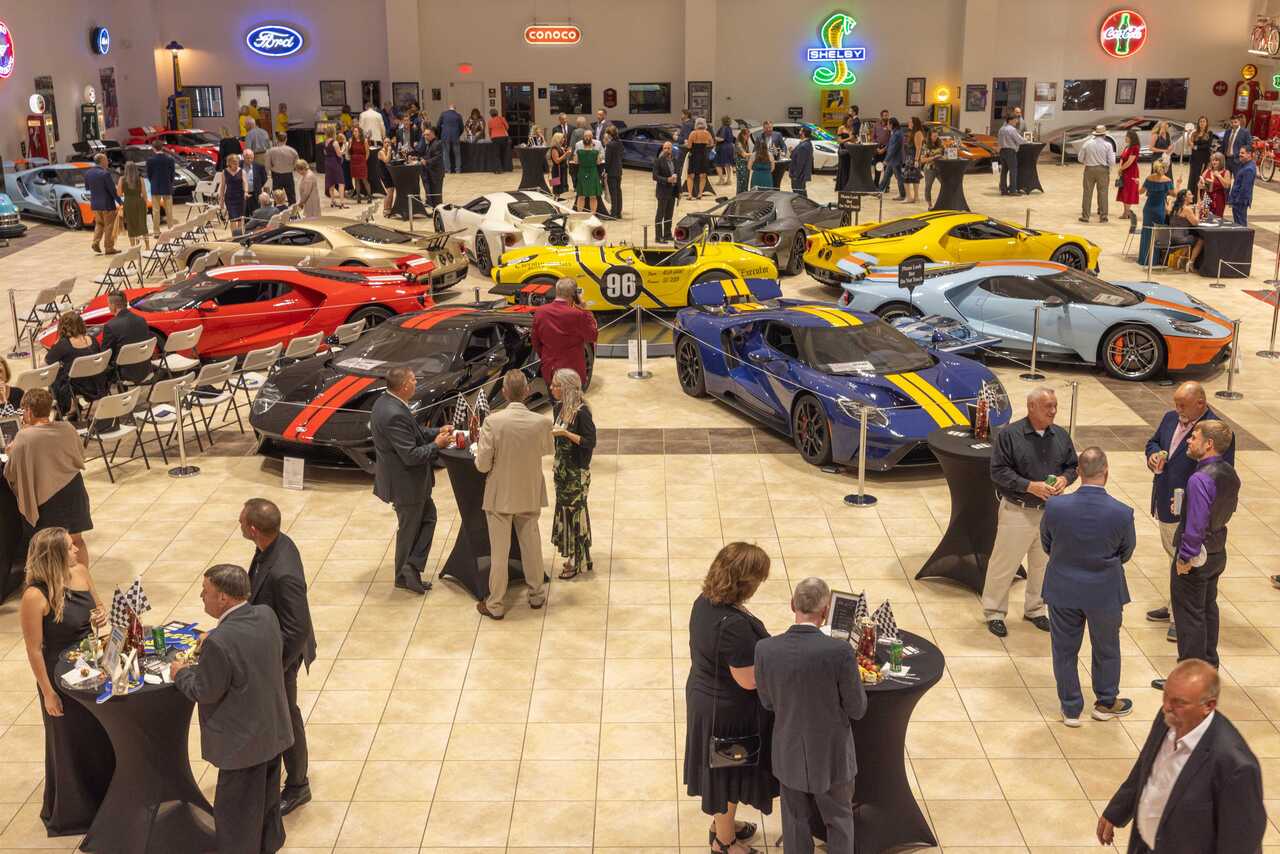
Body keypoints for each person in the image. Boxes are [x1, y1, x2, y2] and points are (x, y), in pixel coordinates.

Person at [171, 564, 294, 854]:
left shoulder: (219, 642)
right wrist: (216, 633)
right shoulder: (266, 615)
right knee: (266, 804)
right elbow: (245, 643)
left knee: (236, 816)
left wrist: (181, 673)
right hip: (272, 730)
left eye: (206, 591)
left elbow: (204, 691)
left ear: (224, 597)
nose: (201, 595)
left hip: (242, 744)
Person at [1097, 660, 1266, 854]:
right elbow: (1145, 766)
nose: (1167, 706)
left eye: (1180, 702)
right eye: (1166, 696)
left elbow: (1241, 844)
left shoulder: (1236, 766)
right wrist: (1117, 810)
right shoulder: (1168, 719)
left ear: (1209, 705)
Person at [756, 576, 865, 854]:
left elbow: (767, 702)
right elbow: (857, 709)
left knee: (794, 824)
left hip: (788, 752)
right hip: (833, 756)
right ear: (825, 611)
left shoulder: (765, 649)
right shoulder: (840, 652)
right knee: (839, 821)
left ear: (792, 604)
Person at [683, 542, 777, 854]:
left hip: (705, 697)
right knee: (727, 774)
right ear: (745, 582)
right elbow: (748, 680)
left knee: (722, 770)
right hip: (726, 712)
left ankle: (723, 825)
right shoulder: (734, 626)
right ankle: (724, 842)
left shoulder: (705, 602)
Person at [19, 527, 113, 837]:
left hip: (90, 667)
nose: (76, 549)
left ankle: (105, 798)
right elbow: (34, 649)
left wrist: (100, 618)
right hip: (59, 676)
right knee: (69, 740)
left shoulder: (81, 572)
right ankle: (76, 811)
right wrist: (48, 693)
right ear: (55, 554)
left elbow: (99, 609)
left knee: (98, 732)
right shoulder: (35, 596)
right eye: (70, 547)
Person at [1040, 447, 1136, 727]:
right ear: (1106, 471)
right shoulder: (1122, 513)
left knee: (1064, 650)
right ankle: (1106, 703)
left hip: (1063, 588)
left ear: (1079, 472)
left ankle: (1071, 709)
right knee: (1107, 648)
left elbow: (1047, 543)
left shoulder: (1055, 507)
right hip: (1104, 591)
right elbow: (1126, 552)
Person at [239, 498, 317, 818]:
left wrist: (276, 666)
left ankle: (298, 785)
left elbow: (297, 629)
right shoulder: (273, 545)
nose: (238, 524)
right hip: (271, 648)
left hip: (282, 656)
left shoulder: (283, 572)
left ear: (253, 529)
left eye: (241, 521)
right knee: (279, 715)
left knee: (286, 716)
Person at [983, 387, 1079, 637]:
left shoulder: (1061, 435)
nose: (1053, 411)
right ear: (1031, 407)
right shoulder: (1010, 435)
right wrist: (1029, 486)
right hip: (1018, 510)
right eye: (1048, 406)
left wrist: (1065, 479)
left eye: (1055, 406)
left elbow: (1072, 466)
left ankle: (1035, 609)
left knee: (1042, 564)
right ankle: (994, 612)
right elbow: (998, 472)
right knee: (1004, 564)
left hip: (1051, 513)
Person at [1144, 382, 1232, 641]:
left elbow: (1222, 474)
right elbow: (1154, 442)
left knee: (1183, 565)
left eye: (1183, 405)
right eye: (1176, 404)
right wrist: (1153, 455)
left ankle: (1178, 619)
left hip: (1189, 508)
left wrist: (1194, 503)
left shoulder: (1216, 431)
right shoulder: (1170, 418)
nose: (1178, 409)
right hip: (1165, 498)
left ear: (1200, 404)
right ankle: (1173, 605)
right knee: (1171, 555)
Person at [1156, 420, 1239, 689]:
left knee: (1189, 617)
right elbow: (1223, 508)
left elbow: (1196, 525)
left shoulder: (1200, 478)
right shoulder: (1230, 473)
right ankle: (1208, 668)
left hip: (1197, 556)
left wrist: (1184, 557)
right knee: (1208, 610)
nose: (1189, 441)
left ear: (1209, 444)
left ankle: (1188, 680)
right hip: (1217, 551)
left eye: (1194, 437)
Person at [473, 371, 553, 617]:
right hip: (529, 491)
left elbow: (482, 466)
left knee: (499, 553)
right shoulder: (541, 422)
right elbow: (546, 450)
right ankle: (536, 595)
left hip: (500, 495)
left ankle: (496, 604)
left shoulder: (493, 422)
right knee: (532, 547)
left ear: (504, 392)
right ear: (527, 391)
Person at [371, 366, 453, 594]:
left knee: (427, 518)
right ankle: (405, 573)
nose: (417, 383)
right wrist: (437, 445)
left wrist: (437, 430)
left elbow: (414, 433)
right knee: (409, 529)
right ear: (405, 385)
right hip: (405, 484)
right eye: (414, 380)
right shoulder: (394, 413)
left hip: (406, 482)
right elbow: (411, 455)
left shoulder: (387, 402)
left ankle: (410, 568)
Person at [6, 389, 94, 574]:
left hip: (47, 500)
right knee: (76, 541)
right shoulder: (67, 428)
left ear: (28, 411)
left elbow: (11, 472)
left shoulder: (25, 437)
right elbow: (79, 455)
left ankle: (52, 585)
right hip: (74, 490)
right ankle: (82, 582)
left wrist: (11, 452)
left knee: (46, 548)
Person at [550, 368, 596, 580]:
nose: (552, 388)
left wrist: (566, 433)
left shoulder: (582, 412)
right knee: (565, 514)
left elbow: (590, 442)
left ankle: (577, 560)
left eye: (556, 385)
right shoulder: (558, 408)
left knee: (575, 515)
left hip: (576, 473)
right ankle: (573, 556)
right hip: (562, 472)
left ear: (566, 388)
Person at [44, 311, 105, 418]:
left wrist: (55, 345)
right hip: (97, 384)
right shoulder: (93, 340)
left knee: (56, 375)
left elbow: (45, 363)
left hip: (77, 386)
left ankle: (65, 408)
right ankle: (73, 405)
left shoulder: (63, 344)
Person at [100, 291, 151, 385]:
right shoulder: (141, 320)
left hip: (124, 373)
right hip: (145, 369)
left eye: (109, 304)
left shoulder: (110, 326)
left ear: (113, 305)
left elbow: (105, 353)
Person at [1137, 159, 1176, 266]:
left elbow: (1140, 192)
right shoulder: (1167, 180)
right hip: (1159, 210)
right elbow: (1174, 194)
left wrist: (1137, 184)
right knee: (1157, 234)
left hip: (1148, 209)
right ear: (1165, 168)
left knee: (1146, 232)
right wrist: (1178, 184)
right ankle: (1154, 260)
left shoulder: (1149, 178)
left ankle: (1144, 259)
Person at [1078, 125, 1116, 222]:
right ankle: (1103, 216)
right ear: (1104, 135)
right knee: (1103, 193)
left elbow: (1080, 159)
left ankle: (1085, 216)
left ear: (1095, 134)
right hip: (1103, 170)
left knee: (1087, 193)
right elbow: (1112, 161)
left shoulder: (1087, 144)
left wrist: (1088, 161)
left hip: (1089, 169)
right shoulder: (1108, 145)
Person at [85, 153, 120, 255]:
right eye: (106, 160)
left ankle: (95, 242)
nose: (108, 162)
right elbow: (112, 191)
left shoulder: (88, 173)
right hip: (107, 204)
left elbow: (87, 188)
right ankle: (109, 248)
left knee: (99, 224)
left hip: (95, 204)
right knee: (109, 226)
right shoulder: (105, 174)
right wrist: (120, 202)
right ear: (102, 161)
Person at [1166, 189, 1205, 272]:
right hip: (1180, 239)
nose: (1192, 196)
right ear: (1184, 197)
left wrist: (1169, 202)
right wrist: (1197, 211)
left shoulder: (1174, 207)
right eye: (1190, 195)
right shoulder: (1186, 209)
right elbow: (1195, 223)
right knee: (1201, 240)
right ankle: (1191, 262)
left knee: (1190, 238)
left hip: (1170, 237)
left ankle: (1181, 260)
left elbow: (1168, 210)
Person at [116, 160, 149, 248]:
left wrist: (125, 192)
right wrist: (146, 206)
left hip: (128, 203)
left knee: (131, 225)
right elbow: (144, 194)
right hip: (139, 202)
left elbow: (119, 194)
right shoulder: (140, 179)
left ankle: (133, 246)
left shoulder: (122, 179)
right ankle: (147, 246)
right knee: (143, 224)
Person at [145, 146, 176, 234]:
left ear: (154, 148)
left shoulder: (150, 160)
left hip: (155, 187)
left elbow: (149, 175)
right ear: (162, 148)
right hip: (167, 186)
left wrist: (153, 182)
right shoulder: (170, 159)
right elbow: (172, 174)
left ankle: (156, 231)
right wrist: (169, 183)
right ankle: (171, 230)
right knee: (169, 210)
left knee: (155, 211)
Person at [654, 141, 679, 241]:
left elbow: (678, 175)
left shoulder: (675, 160)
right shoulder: (658, 161)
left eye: (668, 148)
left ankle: (667, 234)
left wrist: (680, 191)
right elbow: (655, 176)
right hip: (662, 191)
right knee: (660, 215)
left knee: (669, 215)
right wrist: (667, 180)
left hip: (672, 192)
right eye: (665, 148)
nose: (666, 150)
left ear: (671, 149)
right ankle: (658, 236)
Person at [685, 118, 715, 199]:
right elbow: (712, 143)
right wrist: (705, 145)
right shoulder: (707, 133)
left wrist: (687, 143)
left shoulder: (693, 133)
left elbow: (689, 146)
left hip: (694, 155)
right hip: (703, 155)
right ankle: (700, 194)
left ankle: (690, 194)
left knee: (690, 175)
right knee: (703, 175)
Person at [573, 130, 601, 214]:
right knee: (593, 196)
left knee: (581, 195)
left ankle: (580, 214)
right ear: (592, 142)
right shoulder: (596, 152)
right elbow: (598, 162)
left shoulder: (579, 151)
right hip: (593, 173)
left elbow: (576, 162)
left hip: (582, 172)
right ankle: (593, 214)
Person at [264, 134, 299, 205]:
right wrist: (292, 168)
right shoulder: (292, 150)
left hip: (276, 175)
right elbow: (297, 164)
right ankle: (293, 211)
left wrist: (269, 174)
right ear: (286, 139)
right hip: (288, 175)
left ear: (277, 139)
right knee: (291, 196)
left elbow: (267, 165)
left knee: (276, 196)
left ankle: (277, 210)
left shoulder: (271, 151)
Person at [1227, 144, 1255, 225]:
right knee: (1238, 224)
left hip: (1240, 202)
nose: (1240, 154)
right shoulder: (1244, 165)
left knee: (1240, 224)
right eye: (1240, 153)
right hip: (1238, 201)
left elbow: (1245, 189)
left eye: (1242, 153)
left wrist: (1236, 201)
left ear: (1249, 154)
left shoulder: (1249, 169)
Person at [997, 114, 1025, 196]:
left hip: (1002, 151)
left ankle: (1003, 190)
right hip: (1010, 152)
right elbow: (1019, 140)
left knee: (1004, 171)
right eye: (1016, 119)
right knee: (1013, 171)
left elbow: (999, 140)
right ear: (1010, 120)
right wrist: (1027, 141)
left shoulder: (1001, 129)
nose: (1017, 121)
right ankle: (1013, 190)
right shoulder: (1012, 129)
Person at [1116, 130, 1141, 219]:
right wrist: (1120, 168)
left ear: (1131, 138)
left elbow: (1130, 161)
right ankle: (1126, 212)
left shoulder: (1135, 148)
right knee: (1124, 191)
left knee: (1129, 191)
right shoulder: (1127, 146)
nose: (1125, 138)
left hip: (1131, 172)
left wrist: (1121, 168)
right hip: (1124, 171)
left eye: (1127, 136)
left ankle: (1126, 213)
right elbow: (1122, 158)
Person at [219, 152, 247, 232]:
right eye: (234, 163)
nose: (236, 164)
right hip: (230, 198)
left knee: (240, 219)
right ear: (229, 163)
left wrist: (246, 192)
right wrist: (221, 200)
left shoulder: (242, 171)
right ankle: (235, 236)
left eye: (237, 162)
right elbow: (223, 186)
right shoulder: (224, 172)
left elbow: (245, 183)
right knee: (233, 219)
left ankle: (241, 235)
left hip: (240, 197)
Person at [1187, 116, 1213, 202]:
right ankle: (1191, 198)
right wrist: (1189, 134)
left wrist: (1196, 147)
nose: (1202, 123)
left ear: (1206, 123)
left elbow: (1208, 145)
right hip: (1194, 158)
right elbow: (1190, 144)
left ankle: (1199, 198)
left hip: (1204, 158)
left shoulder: (1209, 133)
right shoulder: (1195, 133)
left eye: (1204, 121)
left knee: (1201, 177)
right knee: (1193, 177)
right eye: (1200, 121)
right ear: (1198, 123)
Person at [878, 118, 904, 199]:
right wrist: (884, 149)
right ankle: (879, 192)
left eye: (888, 124)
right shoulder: (895, 132)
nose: (887, 126)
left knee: (899, 177)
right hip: (893, 160)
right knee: (886, 176)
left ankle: (903, 195)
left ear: (892, 125)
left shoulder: (897, 134)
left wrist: (886, 160)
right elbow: (890, 144)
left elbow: (893, 148)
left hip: (895, 160)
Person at [1199, 151, 1231, 218]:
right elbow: (1199, 184)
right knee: (1204, 217)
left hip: (1218, 199)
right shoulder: (1207, 170)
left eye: (1216, 160)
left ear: (1221, 161)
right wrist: (1201, 185)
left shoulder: (1226, 172)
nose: (1214, 162)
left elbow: (1227, 186)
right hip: (1206, 197)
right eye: (1213, 160)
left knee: (1217, 218)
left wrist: (1219, 176)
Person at [241, 148, 269, 220]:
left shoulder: (259, 166)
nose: (250, 160)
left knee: (256, 214)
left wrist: (257, 186)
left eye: (251, 158)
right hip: (242, 194)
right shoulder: (239, 166)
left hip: (255, 194)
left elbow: (264, 178)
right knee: (244, 214)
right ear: (243, 157)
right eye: (247, 158)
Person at [420, 125, 445, 207]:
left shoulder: (438, 143)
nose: (425, 136)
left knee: (437, 196)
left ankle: (438, 211)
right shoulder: (429, 143)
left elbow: (438, 157)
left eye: (427, 135)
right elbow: (428, 155)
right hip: (430, 173)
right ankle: (434, 209)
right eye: (424, 135)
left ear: (433, 134)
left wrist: (426, 162)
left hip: (436, 174)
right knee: (432, 194)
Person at [603, 126, 623, 219]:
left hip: (611, 171)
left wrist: (605, 170)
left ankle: (613, 213)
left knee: (613, 193)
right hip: (618, 170)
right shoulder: (619, 142)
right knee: (618, 191)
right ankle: (618, 212)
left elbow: (608, 160)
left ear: (610, 134)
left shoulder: (610, 145)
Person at [900, 117, 922, 203]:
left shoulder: (918, 133)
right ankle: (916, 197)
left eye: (910, 122)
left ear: (914, 123)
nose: (908, 123)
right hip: (910, 158)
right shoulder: (912, 132)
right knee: (914, 178)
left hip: (912, 158)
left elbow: (918, 148)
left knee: (906, 178)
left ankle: (909, 197)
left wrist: (916, 160)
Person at [920, 128, 944, 207]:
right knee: (928, 186)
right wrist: (934, 158)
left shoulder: (940, 143)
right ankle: (929, 205)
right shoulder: (926, 145)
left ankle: (944, 202)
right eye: (934, 136)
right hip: (929, 169)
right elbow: (922, 160)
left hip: (940, 168)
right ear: (930, 136)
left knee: (945, 184)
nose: (935, 138)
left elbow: (944, 153)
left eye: (937, 136)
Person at [789, 125, 814, 198]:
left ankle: (804, 205)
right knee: (800, 192)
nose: (799, 132)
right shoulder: (806, 143)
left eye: (800, 131)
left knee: (799, 194)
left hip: (799, 176)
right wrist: (793, 152)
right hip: (801, 175)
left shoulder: (803, 146)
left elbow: (800, 163)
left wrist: (795, 176)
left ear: (803, 133)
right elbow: (799, 157)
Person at [438, 103, 464, 173]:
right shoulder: (458, 116)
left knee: (445, 154)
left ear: (449, 108)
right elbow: (462, 128)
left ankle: (447, 170)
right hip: (455, 137)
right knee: (457, 154)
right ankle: (458, 170)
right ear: (455, 109)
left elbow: (438, 125)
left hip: (445, 136)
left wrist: (440, 135)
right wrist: (458, 134)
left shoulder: (443, 114)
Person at [324, 133, 347, 209]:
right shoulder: (335, 142)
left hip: (327, 162)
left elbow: (325, 152)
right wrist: (343, 150)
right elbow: (339, 154)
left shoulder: (325, 142)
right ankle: (342, 203)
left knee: (331, 182)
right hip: (335, 163)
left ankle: (332, 201)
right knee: (341, 183)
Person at [348, 126, 370, 203]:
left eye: (356, 131)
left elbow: (367, 153)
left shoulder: (364, 141)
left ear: (360, 132)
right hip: (354, 162)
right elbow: (349, 152)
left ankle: (369, 197)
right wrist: (349, 144)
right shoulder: (351, 140)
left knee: (364, 179)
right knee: (356, 180)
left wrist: (364, 161)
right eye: (353, 131)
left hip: (362, 161)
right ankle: (358, 197)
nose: (354, 133)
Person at [488, 108, 510, 173]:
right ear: (497, 113)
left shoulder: (490, 121)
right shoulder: (502, 118)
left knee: (496, 154)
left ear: (491, 114)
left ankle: (498, 169)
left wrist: (491, 137)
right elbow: (507, 127)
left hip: (495, 138)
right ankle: (504, 168)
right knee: (503, 153)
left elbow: (489, 131)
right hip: (503, 137)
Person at [548, 133, 569, 201]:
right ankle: (555, 201)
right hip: (557, 170)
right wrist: (565, 154)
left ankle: (557, 199)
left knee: (559, 187)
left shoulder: (560, 147)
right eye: (562, 138)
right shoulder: (554, 148)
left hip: (561, 169)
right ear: (558, 139)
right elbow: (557, 161)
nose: (564, 139)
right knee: (556, 187)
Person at [715, 116, 736, 186]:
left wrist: (714, 138)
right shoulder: (730, 128)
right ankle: (729, 180)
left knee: (717, 164)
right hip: (730, 147)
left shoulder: (723, 128)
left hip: (723, 147)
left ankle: (721, 179)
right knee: (728, 164)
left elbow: (722, 139)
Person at [734, 127, 752, 193]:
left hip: (746, 164)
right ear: (743, 135)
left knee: (746, 181)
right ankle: (740, 196)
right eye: (747, 136)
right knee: (741, 182)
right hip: (740, 165)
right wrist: (754, 153)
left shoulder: (745, 143)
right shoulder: (738, 143)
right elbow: (744, 154)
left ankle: (745, 195)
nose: (748, 137)